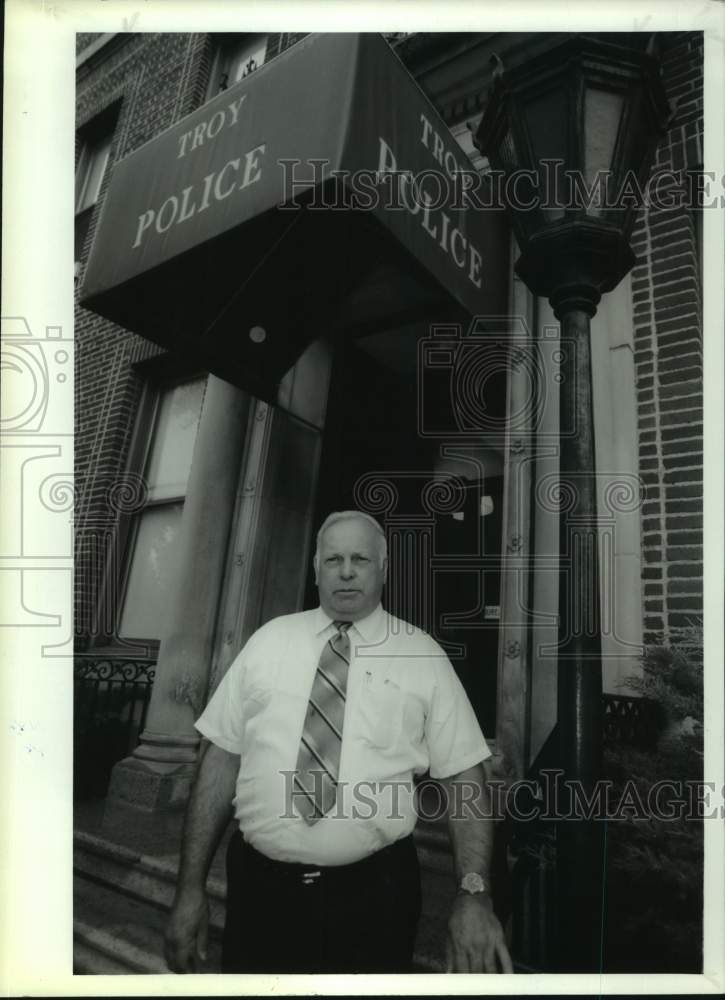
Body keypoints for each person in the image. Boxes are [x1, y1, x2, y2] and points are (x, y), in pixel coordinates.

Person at [165, 509, 513, 975]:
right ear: (315, 569)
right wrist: (189, 887)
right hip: (260, 896)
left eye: (360, 559)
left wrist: (473, 891)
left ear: (383, 568)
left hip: (375, 900)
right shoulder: (268, 642)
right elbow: (220, 758)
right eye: (333, 560)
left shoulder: (421, 654)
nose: (346, 571)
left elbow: (463, 774)